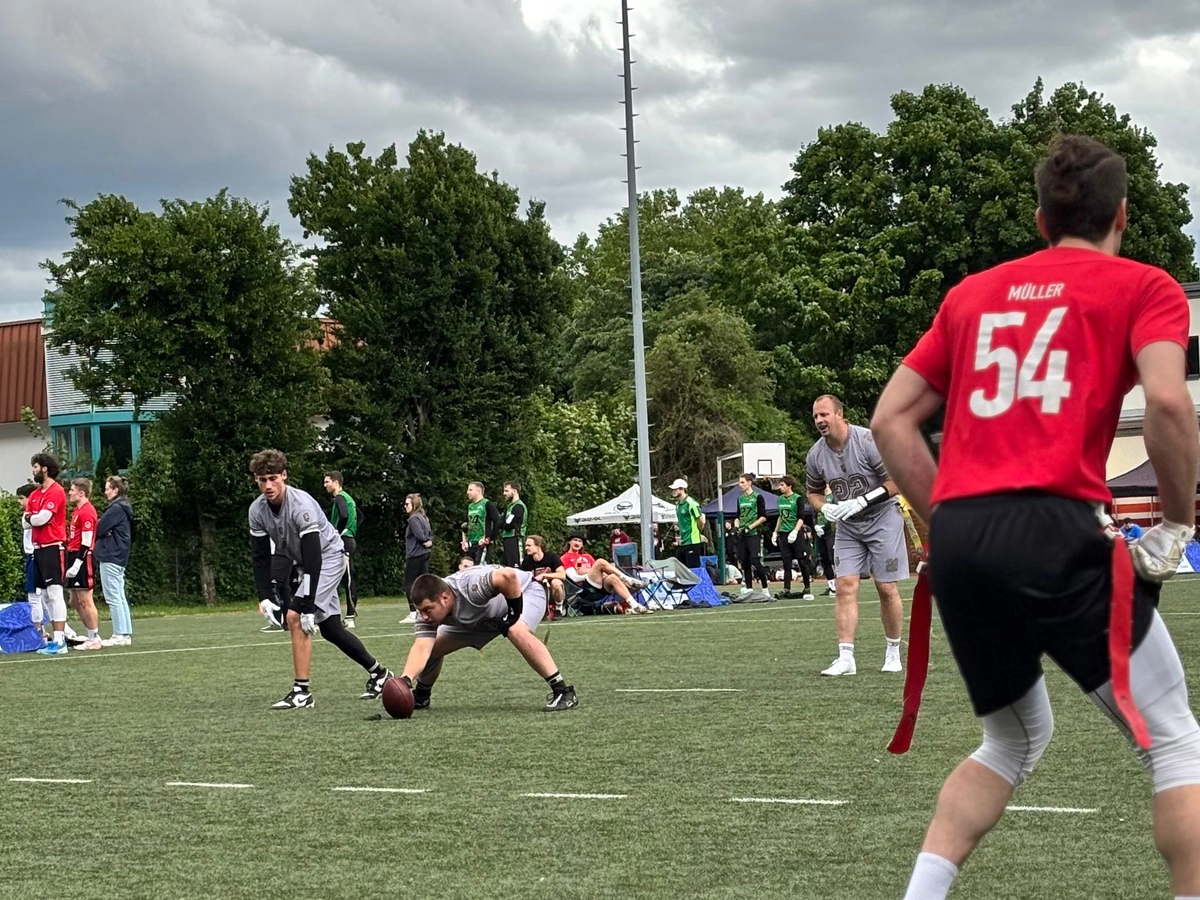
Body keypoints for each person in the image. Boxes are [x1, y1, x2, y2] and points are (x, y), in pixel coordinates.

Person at [870, 135, 1200, 900]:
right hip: (1057, 527)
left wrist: (953, 519)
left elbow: (891, 422)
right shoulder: (1142, 285)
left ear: (1039, 218)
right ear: (1121, 215)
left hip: (960, 539)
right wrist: (1176, 524)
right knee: (1177, 745)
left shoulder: (972, 293)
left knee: (1012, 737)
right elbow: (1169, 404)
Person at [248, 449, 392, 710]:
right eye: (262, 480)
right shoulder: (257, 511)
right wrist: (265, 597)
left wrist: (307, 604)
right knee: (331, 629)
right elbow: (261, 556)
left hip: (328, 558)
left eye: (273, 478)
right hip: (308, 563)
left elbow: (315, 554)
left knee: (294, 617)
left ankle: (302, 692)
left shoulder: (300, 505)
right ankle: (379, 674)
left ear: (284, 475)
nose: (268, 486)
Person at [805, 395, 905, 676]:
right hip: (849, 526)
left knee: (886, 587)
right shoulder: (815, 454)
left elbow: (896, 480)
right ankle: (846, 657)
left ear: (839, 413)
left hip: (882, 517)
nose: (820, 421)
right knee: (844, 585)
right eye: (815, 417)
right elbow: (812, 491)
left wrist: (864, 501)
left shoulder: (867, 441)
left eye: (824, 414)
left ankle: (893, 650)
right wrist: (825, 508)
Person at [399, 566, 578, 712]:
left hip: (525, 593)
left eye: (427, 609)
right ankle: (421, 695)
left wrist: (513, 614)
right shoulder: (429, 613)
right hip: (481, 619)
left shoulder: (470, 587)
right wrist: (405, 681)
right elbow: (422, 647)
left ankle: (563, 691)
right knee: (433, 647)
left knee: (515, 629)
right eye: (420, 611)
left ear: (444, 598)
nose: (424, 616)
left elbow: (507, 576)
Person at [27, 454, 70, 656]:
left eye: (35, 466)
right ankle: (55, 638)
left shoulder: (56, 491)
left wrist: (32, 518)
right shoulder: (35, 494)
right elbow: (26, 521)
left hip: (53, 546)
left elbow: (41, 519)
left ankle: (60, 640)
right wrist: (32, 518)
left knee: (54, 593)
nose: (33, 470)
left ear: (44, 468)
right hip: (39, 548)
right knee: (43, 595)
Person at [62, 478, 103, 651]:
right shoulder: (78, 511)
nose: (69, 493)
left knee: (85, 600)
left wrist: (77, 563)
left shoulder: (87, 512)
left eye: (72, 490)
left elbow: (86, 541)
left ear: (81, 493)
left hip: (82, 557)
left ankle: (94, 637)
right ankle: (91, 634)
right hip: (73, 554)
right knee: (74, 600)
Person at [95, 475, 135, 646]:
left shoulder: (115, 509)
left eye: (107, 488)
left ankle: (119, 634)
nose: (105, 492)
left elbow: (99, 528)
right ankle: (125, 633)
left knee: (113, 596)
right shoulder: (123, 507)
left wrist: (104, 530)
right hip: (119, 555)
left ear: (115, 490)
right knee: (119, 595)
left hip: (111, 554)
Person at [323, 471, 359, 629]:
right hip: (347, 540)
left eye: (327, 482)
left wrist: (338, 532)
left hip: (344, 541)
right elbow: (360, 516)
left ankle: (350, 616)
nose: (325, 485)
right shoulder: (348, 498)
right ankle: (341, 615)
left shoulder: (340, 497)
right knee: (342, 578)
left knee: (347, 578)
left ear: (336, 482)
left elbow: (344, 515)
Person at [15, 483, 47, 642]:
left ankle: (37, 632)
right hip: (34, 556)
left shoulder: (33, 514)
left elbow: (27, 523)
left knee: (34, 596)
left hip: (35, 555)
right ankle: (44, 630)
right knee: (42, 597)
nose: (19, 502)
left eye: (22, 498)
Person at [774, 476, 814, 600]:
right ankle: (786, 588)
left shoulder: (797, 499)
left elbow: (801, 517)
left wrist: (795, 531)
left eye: (782, 485)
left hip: (795, 533)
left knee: (802, 561)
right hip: (783, 533)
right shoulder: (780, 499)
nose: (780, 488)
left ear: (789, 486)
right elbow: (780, 516)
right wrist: (775, 532)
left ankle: (807, 587)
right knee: (786, 562)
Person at [566, 556, 650, 614]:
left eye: (580, 541)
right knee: (600, 562)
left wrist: (591, 571)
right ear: (569, 542)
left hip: (599, 585)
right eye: (575, 540)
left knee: (613, 577)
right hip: (584, 587)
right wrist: (589, 572)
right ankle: (628, 579)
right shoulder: (566, 557)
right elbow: (575, 577)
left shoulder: (587, 556)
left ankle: (635, 605)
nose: (577, 543)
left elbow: (597, 570)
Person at [733, 474, 770, 594]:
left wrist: (749, 527)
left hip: (753, 533)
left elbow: (763, 517)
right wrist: (737, 526)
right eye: (740, 482)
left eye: (742, 482)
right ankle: (749, 588)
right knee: (744, 561)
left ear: (749, 482)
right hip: (742, 534)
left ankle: (764, 587)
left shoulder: (758, 497)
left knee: (755, 559)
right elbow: (737, 517)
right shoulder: (740, 498)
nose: (740, 485)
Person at [402, 493, 433, 625]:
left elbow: (420, 535)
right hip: (424, 553)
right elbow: (430, 534)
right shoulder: (424, 517)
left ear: (414, 504)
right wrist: (429, 542)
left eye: (407, 504)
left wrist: (425, 540)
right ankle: (427, 610)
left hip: (415, 554)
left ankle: (413, 612)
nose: (405, 506)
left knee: (410, 583)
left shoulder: (414, 519)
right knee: (424, 583)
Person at [520, 534, 566, 618]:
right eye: (526, 545)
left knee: (556, 582)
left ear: (538, 546)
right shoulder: (526, 562)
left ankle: (559, 609)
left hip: (553, 591)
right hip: (537, 592)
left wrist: (544, 575)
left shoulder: (552, 557)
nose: (526, 548)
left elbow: (562, 575)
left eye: (529, 545)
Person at [461, 481, 501, 565]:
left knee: (480, 568)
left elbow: (497, 521)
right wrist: (464, 541)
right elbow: (466, 525)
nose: (467, 492)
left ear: (478, 491)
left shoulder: (487, 504)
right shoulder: (470, 506)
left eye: (470, 490)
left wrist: (489, 538)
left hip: (482, 543)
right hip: (472, 543)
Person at [670, 478, 706, 568]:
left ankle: (696, 582)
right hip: (683, 541)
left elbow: (701, 520)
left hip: (692, 541)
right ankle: (682, 582)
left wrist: (698, 533)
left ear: (682, 489)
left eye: (675, 489)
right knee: (679, 566)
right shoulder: (678, 505)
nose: (673, 491)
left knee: (693, 568)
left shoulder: (691, 503)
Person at [500, 480, 528, 567]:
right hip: (507, 538)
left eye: (507, 491)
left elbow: (509, 524)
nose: (504, 493)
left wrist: (505, 525)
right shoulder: (510, 507)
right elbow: (502, 522)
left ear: (515, 491)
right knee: (506, 565)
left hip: (515, 538)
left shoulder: (518, 506)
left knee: (516, 565)